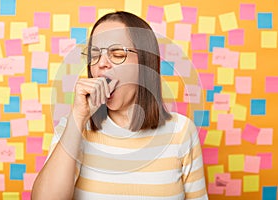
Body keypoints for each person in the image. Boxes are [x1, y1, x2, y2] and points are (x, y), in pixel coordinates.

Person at [31, 11, 208, 200]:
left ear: (145, 64)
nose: (101, 64)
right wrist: (78, 118)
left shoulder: (181, 131)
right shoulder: (74, 128)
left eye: (117, 54)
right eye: (94, 55)